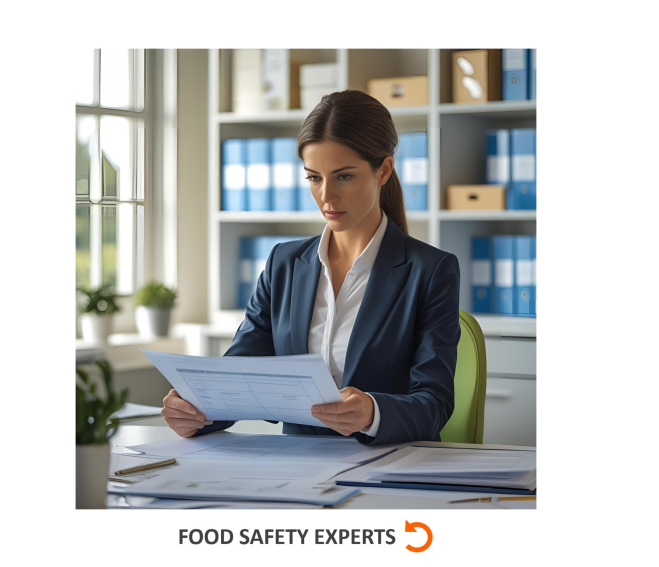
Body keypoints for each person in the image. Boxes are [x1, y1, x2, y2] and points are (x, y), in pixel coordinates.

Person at [162, 90, 461, 444]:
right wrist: (196, 411)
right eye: (314, 178)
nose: (326, 196)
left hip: (388, 463)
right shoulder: (284, 264)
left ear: (383, 170)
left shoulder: (431, 271)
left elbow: (434, 403)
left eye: (344, 177)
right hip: (298, 464)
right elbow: (239, 378)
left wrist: (372, 412)